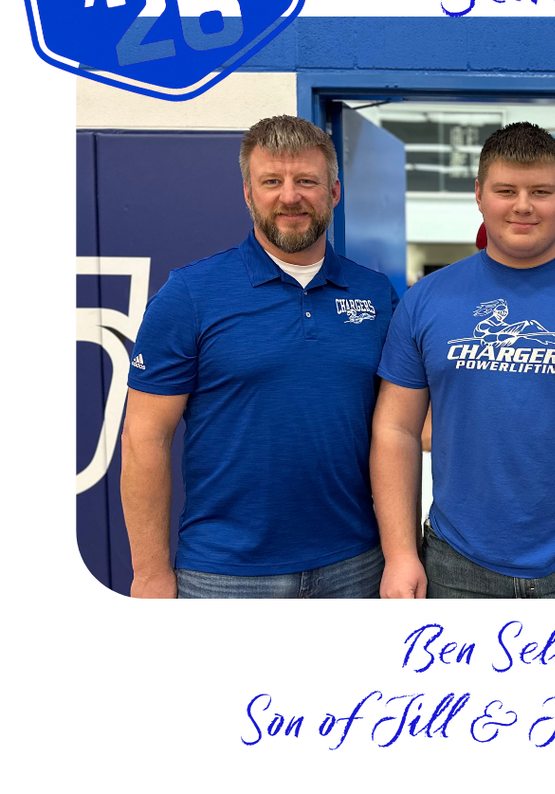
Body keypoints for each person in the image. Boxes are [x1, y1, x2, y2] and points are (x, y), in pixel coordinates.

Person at [370, 122, 555, 599]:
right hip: (456, 561)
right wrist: (401, 554)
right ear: (479, 196)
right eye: (506, 190)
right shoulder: (426, 301)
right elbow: (396, 430)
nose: (523, 205)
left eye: (541, 191)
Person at [120, 116, 398, 598]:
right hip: (224, 575)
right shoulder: (190, 294)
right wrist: (149, 573)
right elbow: (145, 438)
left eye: (306, 181)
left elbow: (403, 425)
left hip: (356, 566)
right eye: (272, 181)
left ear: (333, 193)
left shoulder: (375, 294)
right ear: (249, 194)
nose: (290, 196)